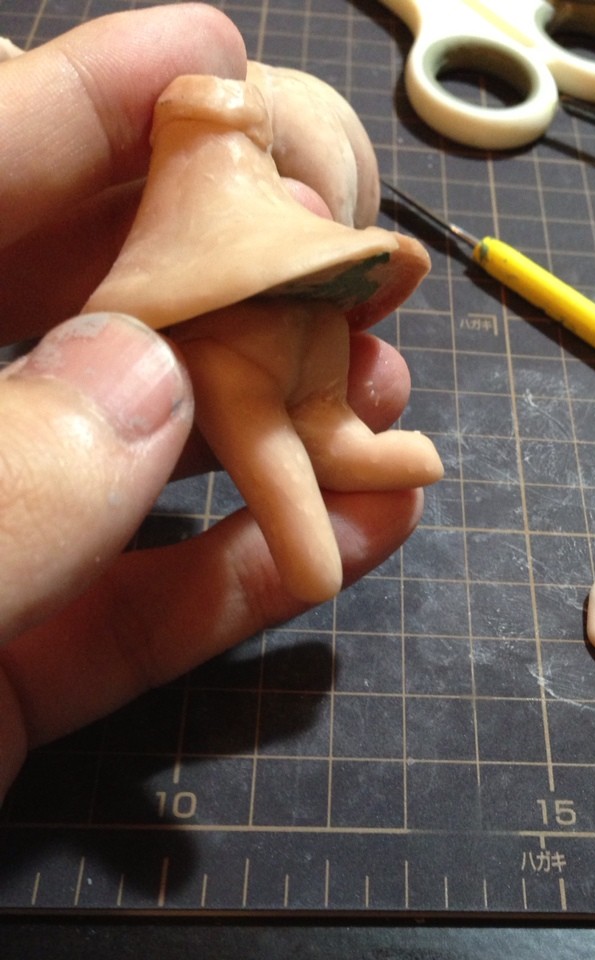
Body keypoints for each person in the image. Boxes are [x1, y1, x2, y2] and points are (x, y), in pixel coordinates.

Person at [0, 4, 426, 797]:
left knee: (306, 434)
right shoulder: (222, 188)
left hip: (282, 319)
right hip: (288, 321)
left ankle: (342, 465)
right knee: (302, 437)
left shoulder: (221, 195)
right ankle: (346, 467)